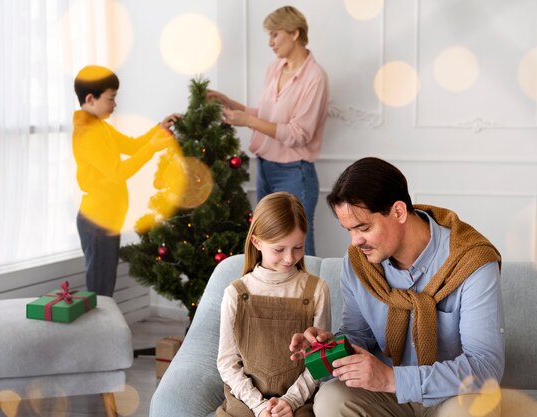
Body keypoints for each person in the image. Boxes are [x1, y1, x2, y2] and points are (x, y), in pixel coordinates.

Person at [289, 157, 505, 417]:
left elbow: (484, 366)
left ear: (399, 212)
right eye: (348, 230)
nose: (355, 241)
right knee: (331, 399)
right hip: (385, 395)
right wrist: (326, 349)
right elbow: (359, 335)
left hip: (452, 394)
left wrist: (393, 379)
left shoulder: (472, 262)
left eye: (364, 227)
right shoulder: (359, 264)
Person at [207, 5, 330, 257]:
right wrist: (230, 103)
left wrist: (247, 121)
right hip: (264, 168)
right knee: (269, 246)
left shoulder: (315, 77)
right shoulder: (274, 69)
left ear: (295, 33)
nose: (270, 43)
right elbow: (266, 116)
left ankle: (311, 298)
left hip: (295, 173)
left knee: (299, 251)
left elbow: (299, 134)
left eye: (275, 34)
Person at [216, 192, 331, 417]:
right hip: (245, 400)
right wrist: (259, 407)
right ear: (257, 242)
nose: (290, 258)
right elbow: (227, 362)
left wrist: (291, 400)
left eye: (298, 247)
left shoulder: (317, 290)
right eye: (279, 249)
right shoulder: (236, 293)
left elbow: (320, 361)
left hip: (299, 401)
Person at [73, 65, 181, 296]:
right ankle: (100, 333)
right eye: (111, 98)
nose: (115, 104)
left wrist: (158, 129)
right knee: (101, 290)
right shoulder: (89, 134)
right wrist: (152, 147)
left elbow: (132, 146)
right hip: (97, 220)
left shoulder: (99, 127)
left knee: (104, 285)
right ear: (91, 99)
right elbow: (118, 172)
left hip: (106, 218)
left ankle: (103, 331)